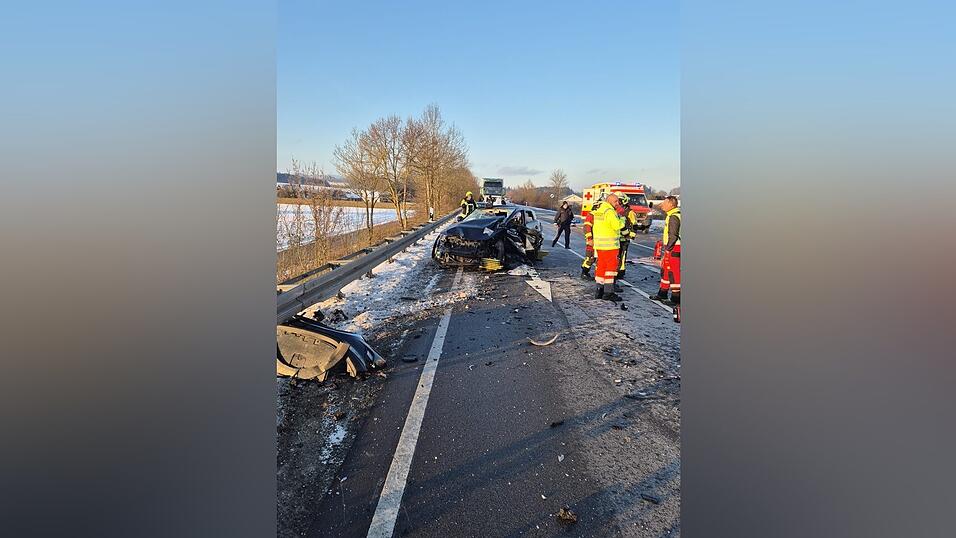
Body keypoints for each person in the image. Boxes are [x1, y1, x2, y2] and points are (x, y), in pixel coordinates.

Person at [592, 194, 625, 301]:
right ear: (609, 201)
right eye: (615, 201)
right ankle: (608, 292)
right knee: (610, 269)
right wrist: (622, 219)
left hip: (600, 245)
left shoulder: (601, 210)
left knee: (601, 267)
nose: (617, 204)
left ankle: (599, 290)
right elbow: (617, 225)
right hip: (610, 245)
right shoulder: (610, 212)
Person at [653, 196, 681, 305]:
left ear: (671, 204)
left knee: (674, 272)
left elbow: (673, 236)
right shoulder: (672, 215)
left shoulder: (674, 216)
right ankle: (662, 294)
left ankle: (676, 298)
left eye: (664, 203)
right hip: (672, 246)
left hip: (674, 248)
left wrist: (668, 249)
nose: (662, 205)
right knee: (665, 271)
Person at [614, 193, 641, 291]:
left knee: (623, 255)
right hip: (616, 238)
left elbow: (634, 224)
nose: (618, 202)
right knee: (616, 255)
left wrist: (631, 235)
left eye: (620, 200)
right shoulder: (615, 210)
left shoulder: (630, 212)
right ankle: (616, 271)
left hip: (624, 238)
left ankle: (621, 272)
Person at [580, 210, 596, 280]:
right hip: (592, 241)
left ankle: (585, 272)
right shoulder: (592, 215)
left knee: (593, 258)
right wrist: (589, 238)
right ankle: (584, 272)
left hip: (597, 240)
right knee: (590, 258)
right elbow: (587, 227)